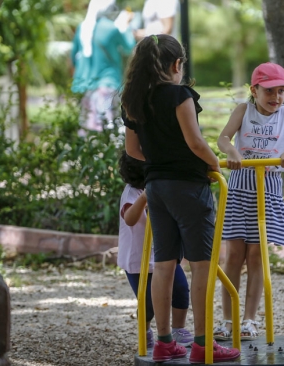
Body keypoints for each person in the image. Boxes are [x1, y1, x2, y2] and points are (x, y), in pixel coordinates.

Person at [121, 34, 240, 363]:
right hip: (188, 187)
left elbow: (132, 150)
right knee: (202, 265)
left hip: (155, 187)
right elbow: (196, 142)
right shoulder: (179, 95)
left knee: (163, 264)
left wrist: (160, 160)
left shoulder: (133, 100)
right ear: (176, 65)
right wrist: (214, 164)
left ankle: (164, 342)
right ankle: (202, 345)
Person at [214, 62, 284, 341]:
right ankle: (227, 319)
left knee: (257, 255)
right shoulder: (243, 111)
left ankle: (249, 319)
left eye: (281, 91)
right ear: (253, 90)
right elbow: (223, 138)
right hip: (240, 185)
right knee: (233, 254)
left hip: (267, 186)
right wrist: (231, 150)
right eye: (269, 91)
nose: (276, 97)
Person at [117, 150, 193, 349]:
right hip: (138, 260)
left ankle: (178, 328)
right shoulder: (132, 192)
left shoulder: (162, 188)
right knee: (147, 303)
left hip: (163, 255)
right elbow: (130, 218)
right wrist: (145, 197)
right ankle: (146, 330)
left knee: (181, 290)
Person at [71, 0, 136, 134]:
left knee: (87, 129)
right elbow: (129, 48)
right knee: (108, 129)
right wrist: (125, 25)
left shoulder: (82, 27)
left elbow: (73, 57)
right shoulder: (111, 28)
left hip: (85, 86)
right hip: (107, 85)